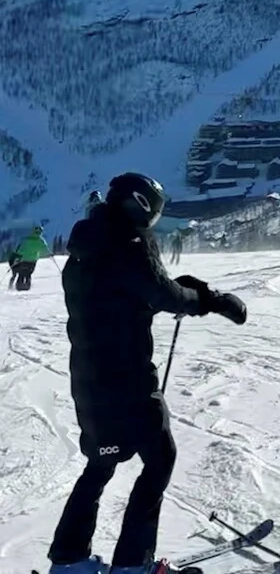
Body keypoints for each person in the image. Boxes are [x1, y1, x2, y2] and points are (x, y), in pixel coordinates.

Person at [46, 171, 246, 573]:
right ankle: (133, 564)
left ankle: (69, 559)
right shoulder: (130, 244)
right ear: (139, 206)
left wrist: (173, 291)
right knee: (160, 457)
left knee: (101, 463)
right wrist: (212, 299)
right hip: (128, 380)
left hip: (88, 381)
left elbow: (117, 299)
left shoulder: (86, 250)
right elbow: (162, 295)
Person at [12, 224, 50, 291]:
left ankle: (19, 287)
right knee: (28, 274)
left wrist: (18, 256)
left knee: (21, 273)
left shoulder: (27, 240)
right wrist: (50, 254)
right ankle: (27, 287)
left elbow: (20, 250)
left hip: (23, 260)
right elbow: (45, 249)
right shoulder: (41, 241)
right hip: (32, 260)